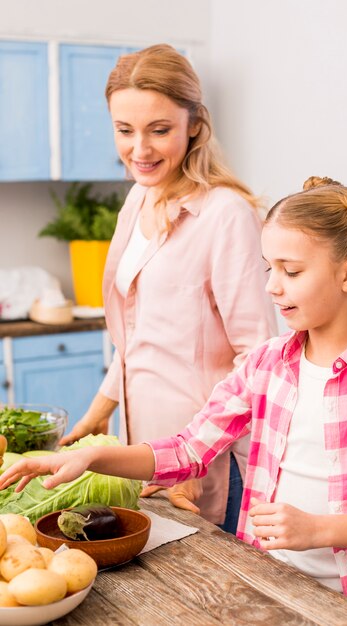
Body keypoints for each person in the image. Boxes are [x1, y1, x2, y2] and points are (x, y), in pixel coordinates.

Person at [2, 176, 347, 624]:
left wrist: (319, 530)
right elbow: (188, 449)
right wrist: (91, 458)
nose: (273, 287)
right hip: (265, 588)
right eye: (268, 269)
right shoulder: (266, 365)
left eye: (291, 271)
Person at [58, 44, 277, 532]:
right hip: (143, 451)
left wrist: (194, 458)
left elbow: (258, 359)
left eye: (159, 130)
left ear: (194, 123)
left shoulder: (226, 215)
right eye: (124, 130)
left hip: (206, 464)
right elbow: (137, 335)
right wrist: (101, 411)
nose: (140, 149)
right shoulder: (137, 200)